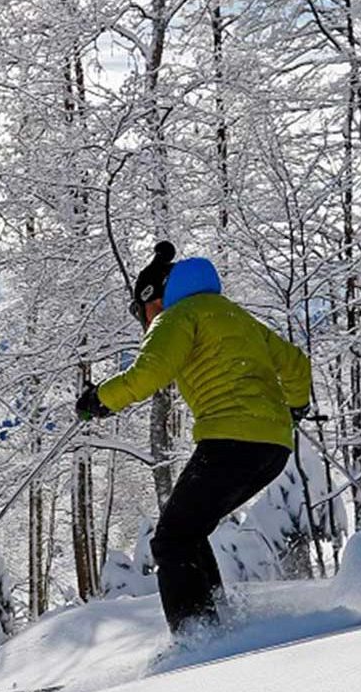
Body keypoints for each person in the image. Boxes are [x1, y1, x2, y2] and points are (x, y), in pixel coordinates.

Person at [77, 241, 313, 635]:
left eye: (140, 311)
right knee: (187, 532)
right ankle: (218, 626)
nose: (144, 320)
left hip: (230, 442)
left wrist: (99, 399)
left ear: (153, 298)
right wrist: (295, 406)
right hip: (273, 447)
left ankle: (197, 638)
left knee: (171, 540)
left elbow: (148, 374)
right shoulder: (236, 316)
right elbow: (295, 363)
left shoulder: (177, 317)